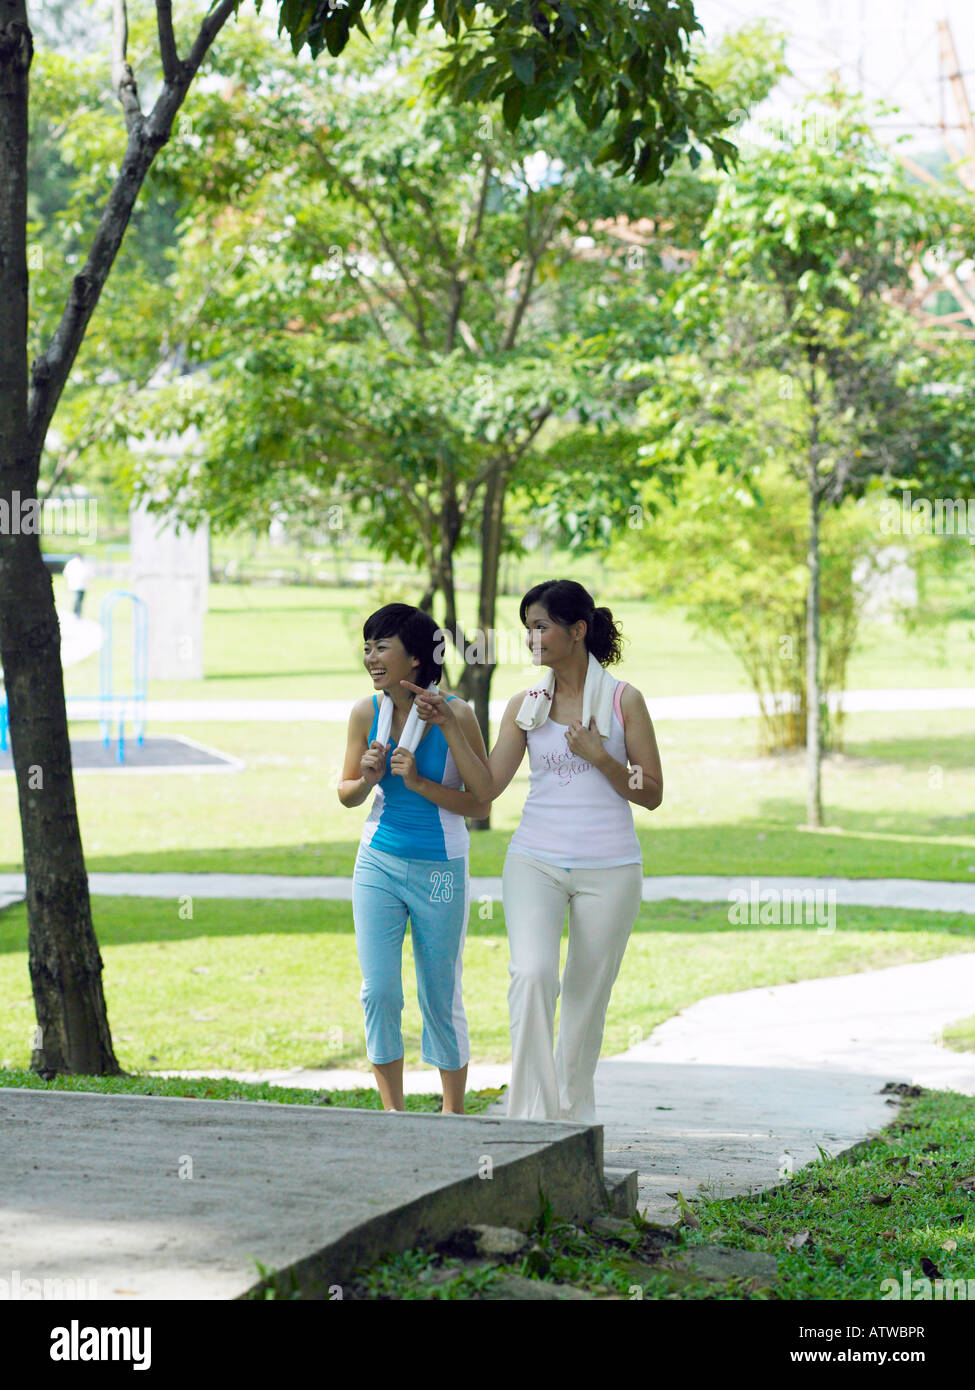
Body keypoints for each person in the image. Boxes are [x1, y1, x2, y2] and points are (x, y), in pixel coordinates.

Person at [458, 579, 664, 1123]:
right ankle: (527, 1122)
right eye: (528, 628)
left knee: (582, 1006)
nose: (532, 638)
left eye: (542, 626)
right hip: (535, 860)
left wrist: (601, 756)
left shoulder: (624, 701)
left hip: (611, 869)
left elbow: (652, 793)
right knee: (532, 975)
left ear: (577, 631)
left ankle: (569, 1126)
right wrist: (451, 727)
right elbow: (487, 790)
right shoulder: (525, 706)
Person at [337, 604, 493, 1115]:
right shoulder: (366, 712)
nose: (371, 657)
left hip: (442, 869)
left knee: (439, 993)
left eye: (382, 646)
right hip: (378, 862)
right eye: (367, 647)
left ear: (415, 659)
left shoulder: (458, 713)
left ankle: (452, 1112)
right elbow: (347, 795)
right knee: (379, 991)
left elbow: (480, 803)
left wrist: (420, 782)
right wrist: (367, 777)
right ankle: (393, 1115)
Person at [62, 552, 92, 619]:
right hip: (77, 584)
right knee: (78, 599)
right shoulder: (73, 563)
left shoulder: (85, 563)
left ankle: (77, 612)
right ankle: (76, 613)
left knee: (79, 599)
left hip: (82, 584)